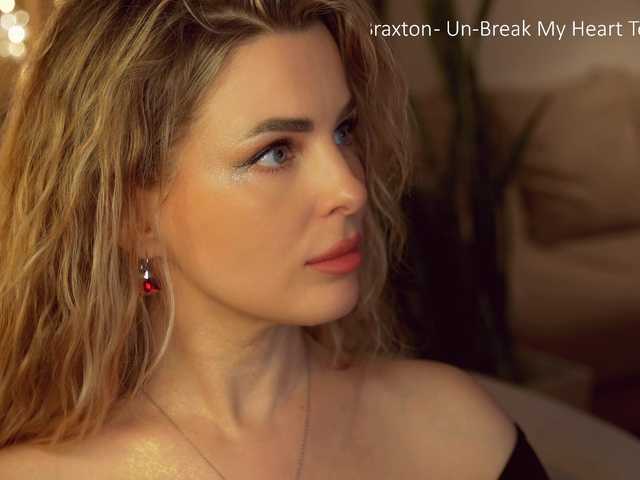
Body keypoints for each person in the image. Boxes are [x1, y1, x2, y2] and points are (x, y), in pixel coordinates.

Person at [0, 0, 550, 478]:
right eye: (276, 152)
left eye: (344, 131)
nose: (350, 189)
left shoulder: (455, 431)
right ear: (132, 217)